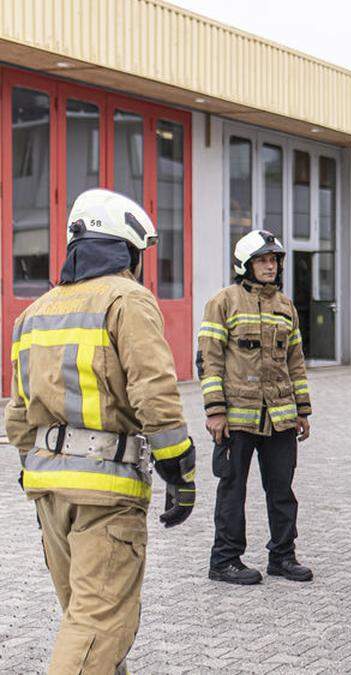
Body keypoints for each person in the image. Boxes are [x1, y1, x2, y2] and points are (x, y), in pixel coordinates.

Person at [5, 188, 196, 673]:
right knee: (98, 626)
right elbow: (154, 390)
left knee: (84, 618)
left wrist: (39, 479)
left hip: (49, 492)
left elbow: (17, 415)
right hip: (107, 494)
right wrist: (179, 471)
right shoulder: (128, 300)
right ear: (125, 249)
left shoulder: (33, 314)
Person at [199, 230, 313, 585]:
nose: (270, 265)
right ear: (245, 264)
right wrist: (215, 410)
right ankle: (225, 560)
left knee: (282, 490)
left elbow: (296, 362)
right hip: (236, 418)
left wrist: (302, 410)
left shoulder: (285, 306)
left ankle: (282, 556)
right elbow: (209, 360)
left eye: (274, 260)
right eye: (263, 260)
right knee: (232, 489)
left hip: (279, 417)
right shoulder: (224, 302)